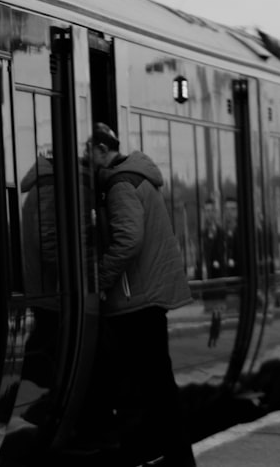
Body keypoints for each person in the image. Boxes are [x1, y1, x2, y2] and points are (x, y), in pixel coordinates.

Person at [88, 122, 196, 467]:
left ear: (103, 150)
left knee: (137, 389)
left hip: (133, 302)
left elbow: (128, 240)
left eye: (89, 154)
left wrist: (100, 279)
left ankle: (147, 456)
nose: (87, 164)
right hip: (147, 298)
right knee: (158, 386)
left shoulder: (120, 184)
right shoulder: (139, 178)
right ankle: (176, 457)